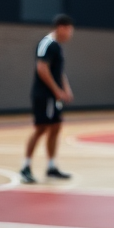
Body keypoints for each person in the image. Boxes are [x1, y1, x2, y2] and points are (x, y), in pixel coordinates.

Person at [20, 14, 75, 184]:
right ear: (61, 28)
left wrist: (66, 88)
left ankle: (51, 166)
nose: (70, 35)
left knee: (56, 127)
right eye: (69, 31)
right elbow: (42, 69)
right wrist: (56, 90)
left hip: (54, 96)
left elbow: (57, 71)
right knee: (41, 129)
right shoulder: (47, 44)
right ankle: (25, 167)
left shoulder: (57, 47)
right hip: (43, 95)